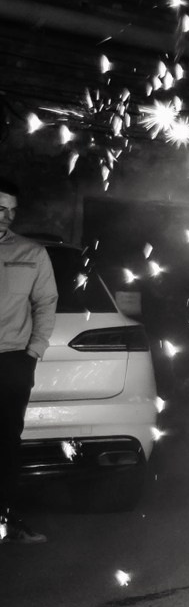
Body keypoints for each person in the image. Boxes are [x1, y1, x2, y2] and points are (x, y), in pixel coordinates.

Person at [0, 178, 58, 545]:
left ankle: (8, 520)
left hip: (10, 362)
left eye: (11, 211)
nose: (6, 217)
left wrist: (33, 351)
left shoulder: (31, 253)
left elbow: (46, 303)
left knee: (6, 443)